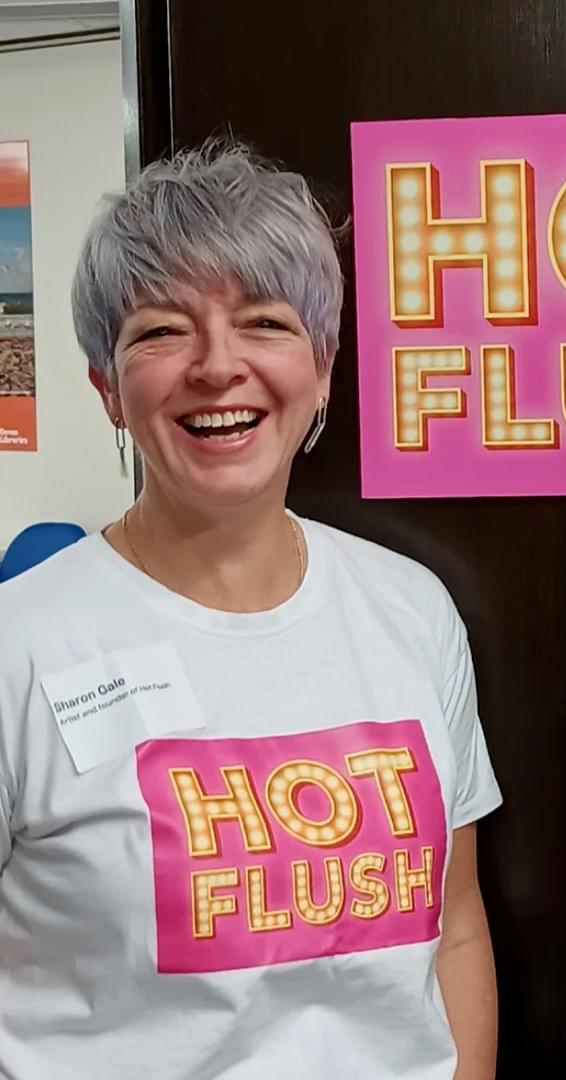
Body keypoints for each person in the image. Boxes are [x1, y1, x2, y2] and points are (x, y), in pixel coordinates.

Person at [0, 143, 500, 1079]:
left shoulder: (410, 609)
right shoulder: (18, 644)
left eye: (263, 322)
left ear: (322, 365)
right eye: (159, 332)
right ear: (108, 385)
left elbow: (457, 929)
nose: (216, 366)